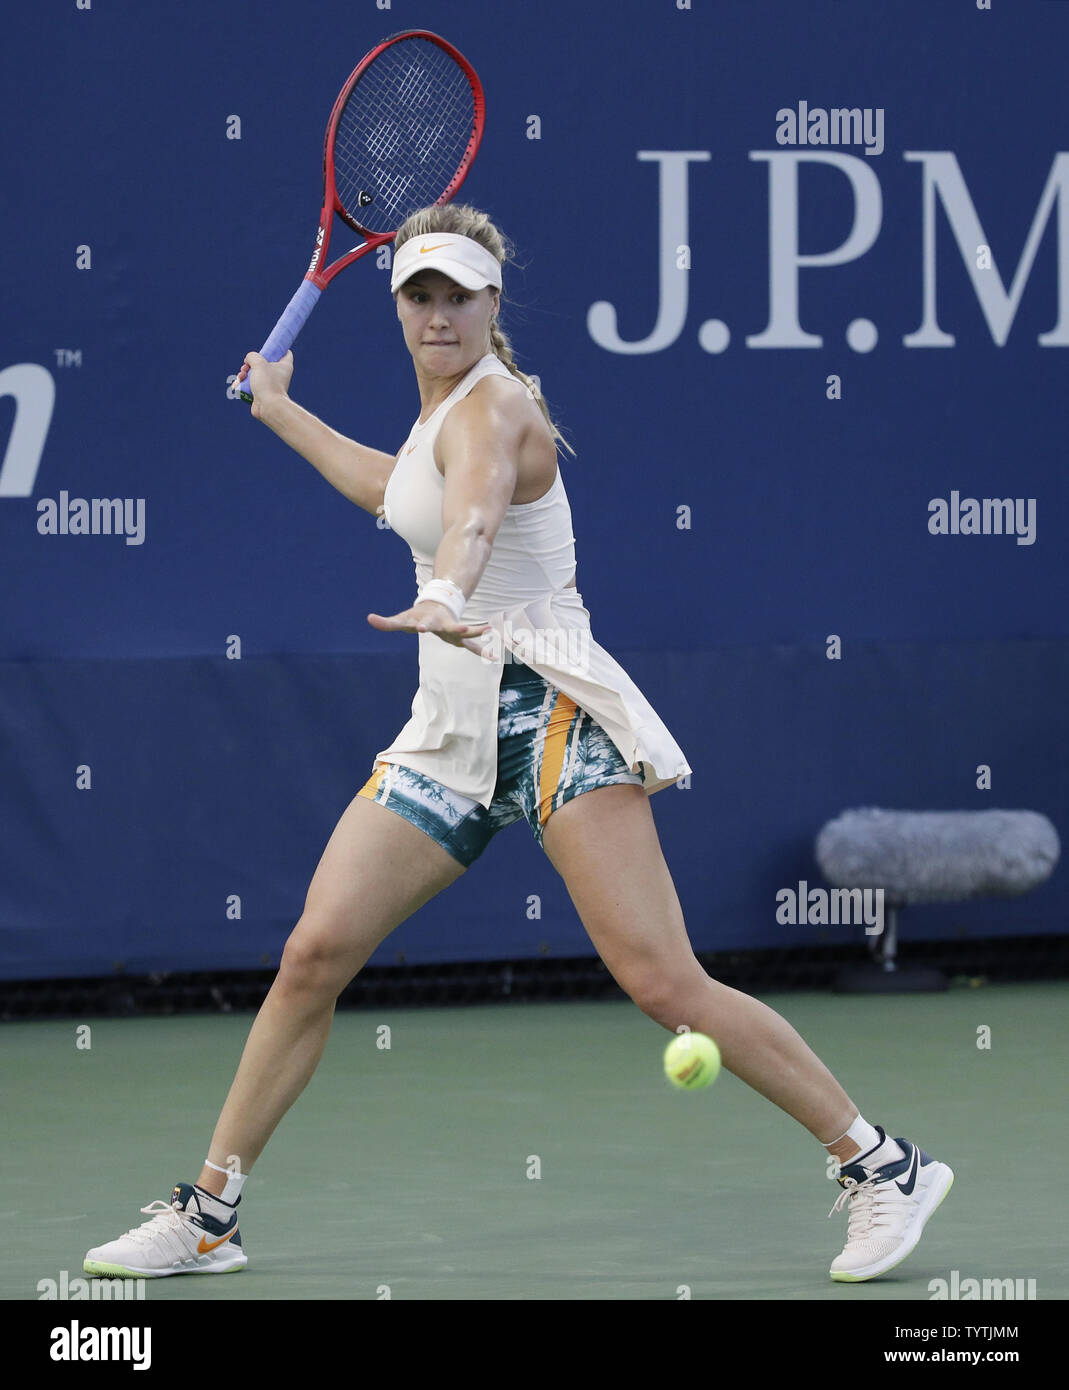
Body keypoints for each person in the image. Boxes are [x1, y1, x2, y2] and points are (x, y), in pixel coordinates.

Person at [84, 204, 952, 1287]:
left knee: (664, 983)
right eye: (419, 295)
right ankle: (210, 1213)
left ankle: (881, 1164)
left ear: (493, 302)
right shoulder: (434, 417)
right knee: (313, 954)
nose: (438, 315)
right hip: (449, 729)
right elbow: (397, 492)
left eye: (458, 295)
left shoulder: (497, 407)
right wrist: (281, 410)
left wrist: (447, 591)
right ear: (396, 305)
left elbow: (474, 516)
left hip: (551, 713)